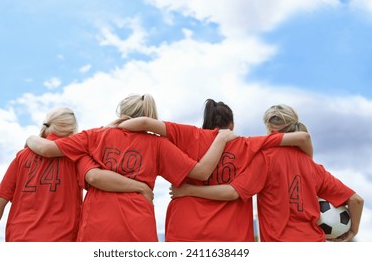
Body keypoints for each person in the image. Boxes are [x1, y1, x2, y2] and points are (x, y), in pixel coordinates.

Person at [25, 94, 236, 242]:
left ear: (121, 113)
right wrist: (221, 139)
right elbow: (201, 172)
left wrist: (31, 137)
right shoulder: (158, 144)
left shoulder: (95, 135)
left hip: (98, 228)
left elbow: (47, 149)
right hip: (139, 226)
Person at [117, 99, 313, 242]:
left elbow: (143, 123)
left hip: (184, 232)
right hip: (231, 237)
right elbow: (303, 138)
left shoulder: (185, 134)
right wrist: (308, 168)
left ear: (205, 123)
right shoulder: (248, 144)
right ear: (232, 125)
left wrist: (113, 127)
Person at [170, 104, 364, 242]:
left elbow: (232, 192)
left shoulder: (265, 159)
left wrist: (188, 190)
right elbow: (356, 200)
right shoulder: (313, 166)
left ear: (270, 128)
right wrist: (353, 230)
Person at [0, 106, 154, 242]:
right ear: (72, 130)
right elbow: (96, 178)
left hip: (19, 240)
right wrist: (140, 187)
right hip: (61, 241)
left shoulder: (22, 155)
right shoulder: (77, 156)